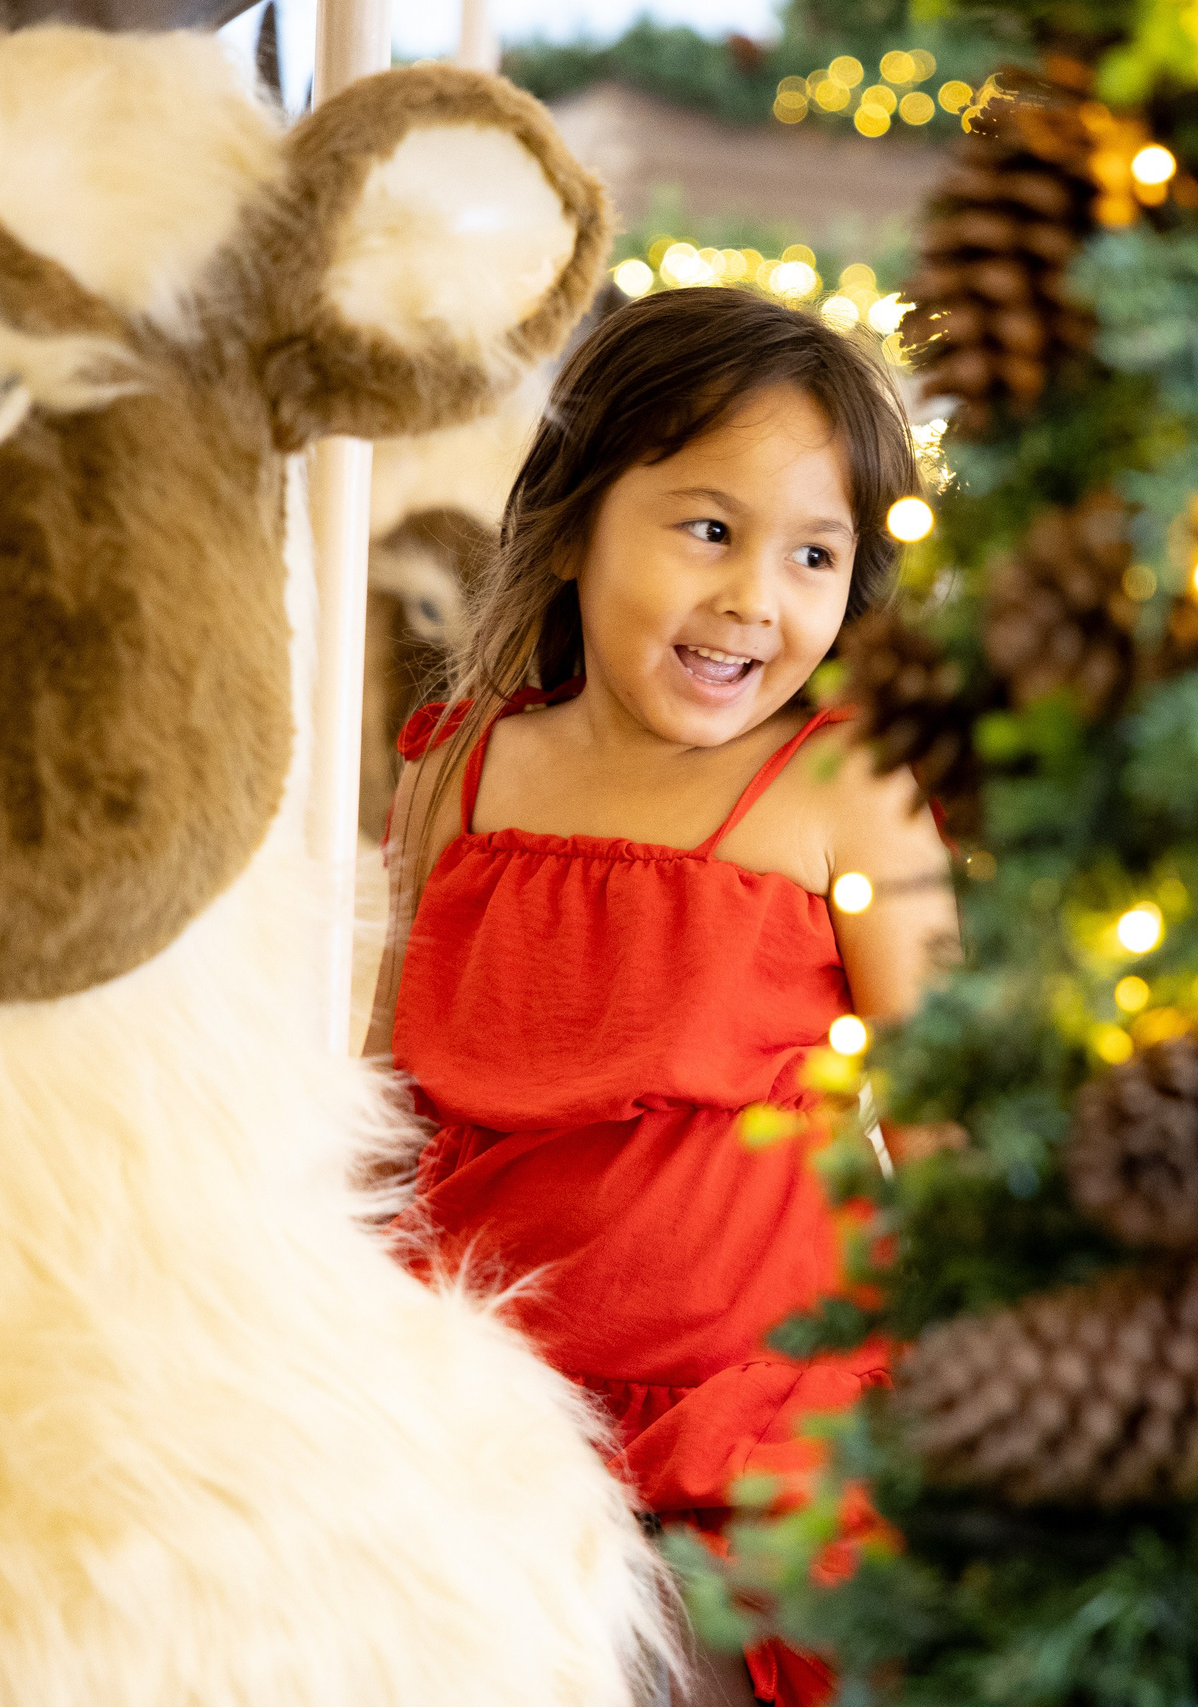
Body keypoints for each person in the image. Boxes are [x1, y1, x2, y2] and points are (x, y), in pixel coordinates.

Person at [364, 286, 958, 1707]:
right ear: (572, 525)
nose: (757, 596)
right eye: (708, 529)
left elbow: (949, 1112)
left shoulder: (842, 792)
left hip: (757, 1420)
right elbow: (391, 1087)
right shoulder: (461, 766)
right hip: (496, 1405)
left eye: (814, 554)